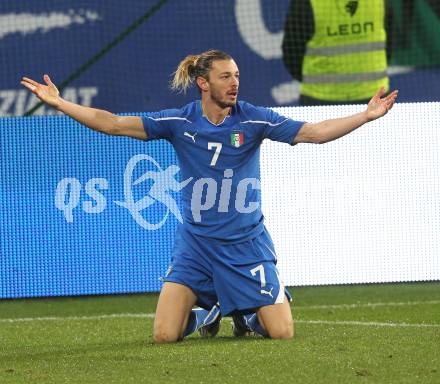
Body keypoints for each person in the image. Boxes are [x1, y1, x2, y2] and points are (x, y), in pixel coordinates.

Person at [21, 49, 398, 343]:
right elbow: (114, 123)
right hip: (197, 246)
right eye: (225, 77)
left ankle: (249, 314)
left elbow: (314, 131)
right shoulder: (180, 123)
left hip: (245, 244)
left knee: (282, 333)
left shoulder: (253, 119)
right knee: (164, 336)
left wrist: (364, 117)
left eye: (236, 76)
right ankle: (208, 311)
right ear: (203, 83)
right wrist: (61, 104)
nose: (234, 83)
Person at [282, 0, 391, 105]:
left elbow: (291, 51)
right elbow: (391, 43)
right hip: (373, 97)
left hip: (320, 98)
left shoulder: (305, 2)